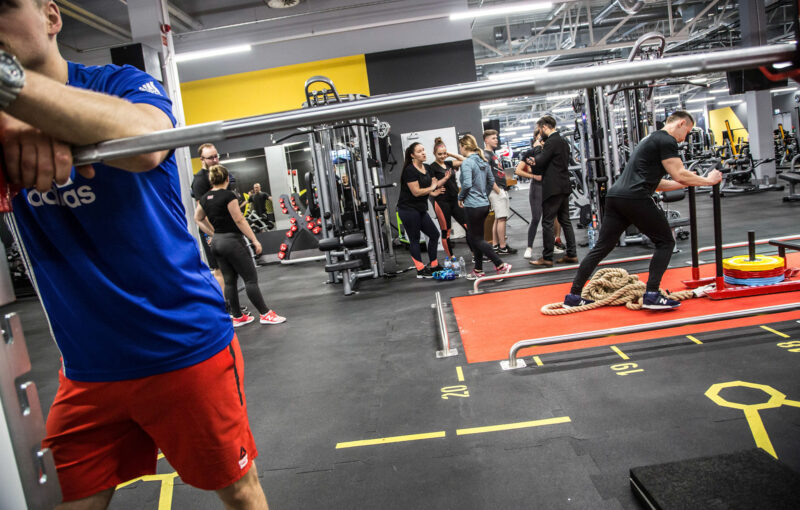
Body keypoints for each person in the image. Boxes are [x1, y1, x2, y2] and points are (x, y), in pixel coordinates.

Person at [0, 1, 268, 508]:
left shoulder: (120, 84)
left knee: (239, 492)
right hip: (86, 368)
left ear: (52, 18)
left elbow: (146, 143)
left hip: (182, 347)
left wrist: (13, 90)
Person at [564, 111, 723, 310]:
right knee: (665, 242)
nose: (685, 138)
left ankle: (573, 295)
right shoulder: (667, 140)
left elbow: (658, 184)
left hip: (616, 197)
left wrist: (686, 181)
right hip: (635, 197)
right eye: (687, 132)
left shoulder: (650, 139)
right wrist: (709, 180)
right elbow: (680, 174)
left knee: (602, 247)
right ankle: (653, 294)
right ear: (681, 123)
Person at [195, 165, 286, 327]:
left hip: (217, 243)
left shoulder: (205, 197)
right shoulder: (229, 195)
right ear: (227, 179)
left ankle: (237, 316)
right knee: (250, 279)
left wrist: (212, 233)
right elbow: (239, 220)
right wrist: (255, 240)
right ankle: (265, 314)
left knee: (229, 280)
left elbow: (198, 218)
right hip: (232, 241)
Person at [457, 134, 512, 280]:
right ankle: (478, 269)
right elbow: (491, 182)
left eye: (460, 147)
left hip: (473, 206)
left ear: (463, 147)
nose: (459, 149)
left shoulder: (468, 163)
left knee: (476, 239)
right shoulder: (483, 161)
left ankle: (501, 265)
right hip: (483, 205)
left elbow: (467, 184)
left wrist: (460, 197)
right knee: (477, 237)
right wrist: (483, 194)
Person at [527, 116, 579, 268]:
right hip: (564, 185)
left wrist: (536, 148)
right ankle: (572, 254)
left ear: (545, 127)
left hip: (553, 187)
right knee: (565, 221)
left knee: (547, 222)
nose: (539, 133)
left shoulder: (551, 142)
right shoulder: (563, 142)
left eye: (540, 129)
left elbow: (540, 162)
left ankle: (547, 257)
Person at [396, 142, 443, 278]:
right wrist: (432, 188)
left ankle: (434, 265)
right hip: (408, 209)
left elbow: (432, 186)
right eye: (419, 151)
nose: (423, 153)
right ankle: (420, 269)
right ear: (412, 155)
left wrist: (440, 184)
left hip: (420, 209)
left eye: (423, 150)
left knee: (434, 234)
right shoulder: (409, 170)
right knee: (414, 239)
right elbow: (416, 192)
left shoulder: (427, 168)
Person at [429, 137, 472, 258]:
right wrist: (445, 179)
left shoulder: (449, 163)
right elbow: (433, 186)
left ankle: (475, 254)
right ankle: (451, 257)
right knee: (446, 231)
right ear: (434, 154)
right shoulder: (431, 167)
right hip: (442, 202)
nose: (442, 156)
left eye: (444, 153)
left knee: (468, 226)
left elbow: (465, 160)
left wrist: (450, 154)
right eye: (439, 154)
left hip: (454, 200)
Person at [483, 129, 517, 254]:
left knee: (498, 218)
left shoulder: (492, 154)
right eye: (493, 138)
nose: (496, 140)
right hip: (496, 190)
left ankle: (496, 245)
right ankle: (503, 247)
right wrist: (498, 191)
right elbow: (487, 175)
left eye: (496, 138)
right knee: (502, 218)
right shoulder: (486, 155)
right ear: (486, 140)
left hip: (499, 189)